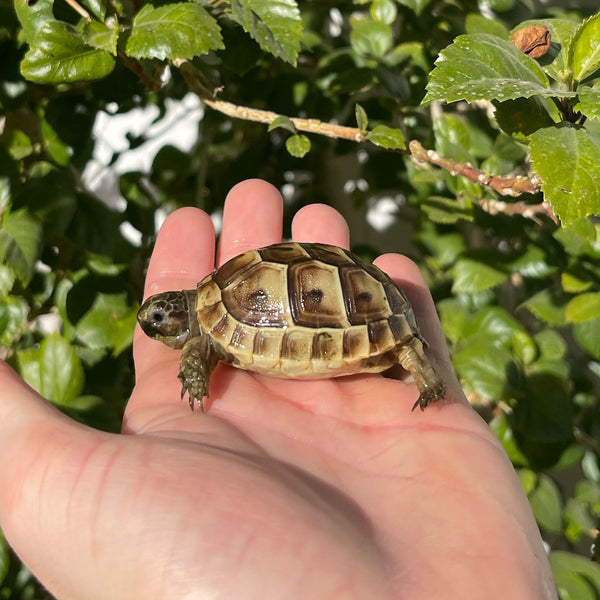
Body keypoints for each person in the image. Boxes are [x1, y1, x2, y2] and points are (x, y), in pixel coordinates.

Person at [0, 179, 557, 599]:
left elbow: (202, 348)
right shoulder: (222, 290)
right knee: (391, 342)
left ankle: (410, 353)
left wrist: (195, 370)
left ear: (183, 317)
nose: (161, 331)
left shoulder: (207, 327)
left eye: (162, 324)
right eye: (157, 324)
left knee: (403, 347)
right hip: (322, 305)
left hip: (338, 310)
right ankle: (405, 349)